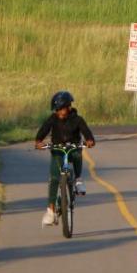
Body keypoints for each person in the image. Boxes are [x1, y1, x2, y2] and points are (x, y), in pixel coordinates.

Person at [34, 90, 96, 227]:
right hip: (57, 150)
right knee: (54, 178)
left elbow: (86, 131)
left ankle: (78, 179)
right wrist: (39, 141)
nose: (59, 112)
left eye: (61, 109)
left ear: (68, 107)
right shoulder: (53, 119)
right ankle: (51, 211)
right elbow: (44, 129)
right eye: (57, 110)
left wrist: (90, 140)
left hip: (73, 148)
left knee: (77, 154)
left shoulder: (77, 119)